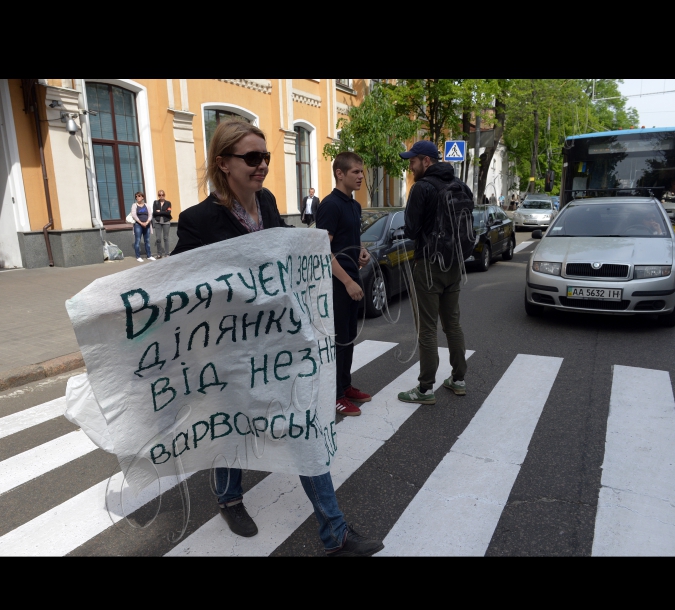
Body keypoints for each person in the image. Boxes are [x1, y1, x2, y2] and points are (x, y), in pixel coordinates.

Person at [171, 119, 383, 557]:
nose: (262, 166)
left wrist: (316, 249)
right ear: (223, 164)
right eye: (251, 158)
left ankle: (335, 533)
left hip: (276, 348)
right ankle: (229, 498)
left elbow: (280, 251)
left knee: (303, 426)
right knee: (234, 426)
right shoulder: (198, 221)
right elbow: (176, 287)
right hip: (230, 351)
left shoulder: (266, 202)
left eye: (265, 157)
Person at [396, 140, 469, 405]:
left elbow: (412, 230)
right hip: (454, 264)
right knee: (453, 324)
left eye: (413, 162)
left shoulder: (422, 188)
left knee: (427, 329)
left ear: (426, 161)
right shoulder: (461, 186)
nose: (410, 167)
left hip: (428, 264)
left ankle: (426, 389)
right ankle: (458, 379)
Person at [315, 152, 372, 417]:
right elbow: (323, 251)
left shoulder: (354, 204)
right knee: (337, 341)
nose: (361, 176)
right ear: (340, 173)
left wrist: (361, 250)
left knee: (349, 338)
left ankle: (346, 386)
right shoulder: (330, 205)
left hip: (351, 277)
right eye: (356, 172)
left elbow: (350, 237)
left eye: (362, 172)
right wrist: (348, 281)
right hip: (337, 284)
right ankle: (335, 395)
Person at [131, 192, 155, 262]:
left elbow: (150, 215)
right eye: (136, 196)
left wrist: (147, 222)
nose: (137, 197)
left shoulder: (146, 205)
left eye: (139, 196)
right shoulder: (134, 205)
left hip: (147, 225)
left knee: (147, 240)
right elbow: (134, 215)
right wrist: (141, 223)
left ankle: (149, 255)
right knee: (138, 240)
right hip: (138, 225)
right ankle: (138, 256)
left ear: (142, 197)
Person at [152, 190, 173, 258]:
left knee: (166, 238)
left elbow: (168, 213)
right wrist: (164, 211)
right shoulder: (155, 203)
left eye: (162, 195)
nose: (161, 196)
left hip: (166, 222)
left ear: (164, 195)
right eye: (160, 195)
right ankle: (159, 253)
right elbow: (154, 213)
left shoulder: (168, 203)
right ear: (158, 195)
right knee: (158, 238)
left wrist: (160, 211)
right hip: (157, 222)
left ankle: (166, 253)